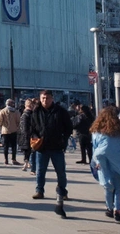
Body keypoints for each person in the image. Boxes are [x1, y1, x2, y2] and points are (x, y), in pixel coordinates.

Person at [30, 90, 72, 219]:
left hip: (57, 147)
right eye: (43, 98)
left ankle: (62, 191)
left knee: (60, 171)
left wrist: (63, 139)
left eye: (47, 98)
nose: (45, 100)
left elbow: (68, 127)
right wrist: (36, 137)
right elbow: (32, 128)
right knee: (40, 170)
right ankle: (39, 190)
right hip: (42, 147)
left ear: (52, 99)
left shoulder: (60, 111)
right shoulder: (36, 112)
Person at [0, 99, 21, 166]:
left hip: (5, 131)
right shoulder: (16, 111)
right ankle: (13, 159)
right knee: (14, 146)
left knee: (6, 146)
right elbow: (18, 121)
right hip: (14, 130)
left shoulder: (2, 111)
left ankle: (6, 159)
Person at [17, 99, 35, 172]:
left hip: (25, 135)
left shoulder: (25, 114)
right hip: (31, 135)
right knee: (30, 151)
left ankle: (27, 163)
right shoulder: (31, 114)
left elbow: (23, 127)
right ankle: (28, 163)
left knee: (27, 151)